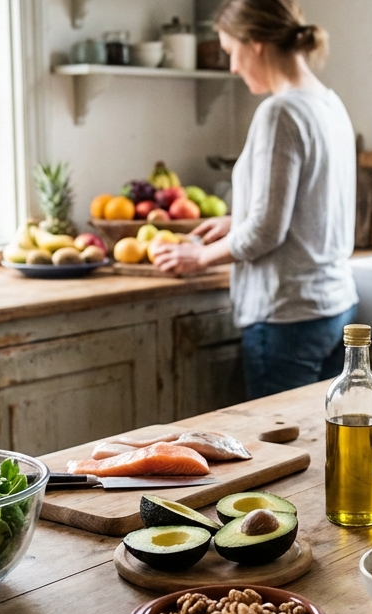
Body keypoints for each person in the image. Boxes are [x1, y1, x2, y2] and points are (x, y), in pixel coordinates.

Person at [149, 0, 358, 400]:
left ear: (256, 43)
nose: (231, 67)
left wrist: (200, 258)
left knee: (285, 453)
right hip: (335, 308)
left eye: (231, 51)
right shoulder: (329, 103)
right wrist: (236, 220)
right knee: (324, 445)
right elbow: (314, 203)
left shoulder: (280, 111)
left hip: (287, 316)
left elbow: (266, 231)